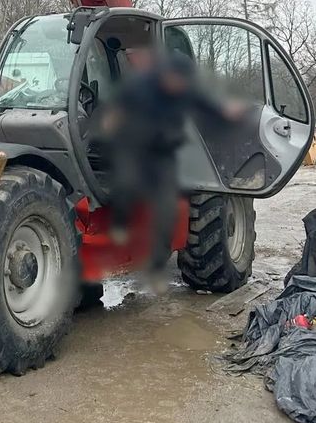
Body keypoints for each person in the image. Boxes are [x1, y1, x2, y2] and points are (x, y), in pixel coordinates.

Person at [96, 48, 243, 277]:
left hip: (163, 154)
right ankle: (120, 227)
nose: (178, 84)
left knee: (166, 205)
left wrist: (227, 113)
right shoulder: (143, 87)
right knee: (124, 184)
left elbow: (208, 106)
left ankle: (158, 257)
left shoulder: (186, 91)